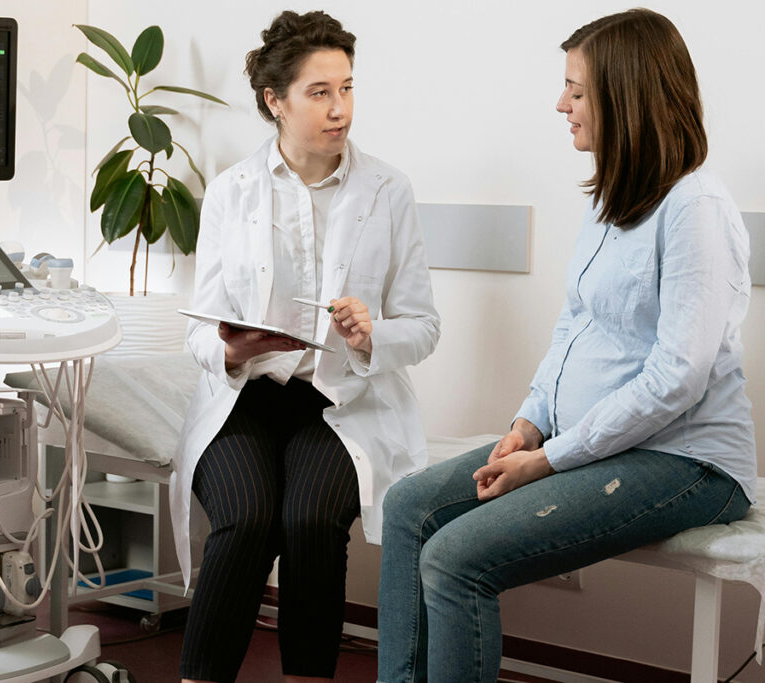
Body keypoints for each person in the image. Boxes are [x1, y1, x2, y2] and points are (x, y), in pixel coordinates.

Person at [376, 8, 756, 683]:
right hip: (590, 441)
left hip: (686, 461)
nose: (562, 105)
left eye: (577, 90)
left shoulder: (695, 206)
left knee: (455, 557)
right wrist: (529, 420)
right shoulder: (612, 199)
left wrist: (551, 458)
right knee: (409, 506)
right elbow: (574, 325)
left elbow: (677, 377)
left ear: (626, 95)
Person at [169, 10, 440, 683]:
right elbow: (199, 328)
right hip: (245, 401)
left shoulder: (388, 190)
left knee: (312, 521)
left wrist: (372, 332)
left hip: (340, 400)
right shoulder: (232, 192)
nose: (339, 108)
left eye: (346, 88)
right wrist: (231, 349)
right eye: (319, 93)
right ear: (275, 101)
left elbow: (424, 325)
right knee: (246, 520)